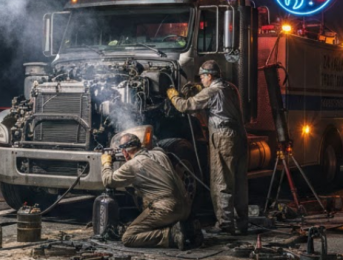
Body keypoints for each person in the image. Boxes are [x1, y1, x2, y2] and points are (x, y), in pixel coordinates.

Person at [167, 60, 249, 234]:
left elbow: (185, 106)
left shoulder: (212, 91)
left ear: (209, 76)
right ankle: (242, 224)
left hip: (223, 137)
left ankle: (225, 225)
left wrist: (173, 95)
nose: (201, 80)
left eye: (202, 77)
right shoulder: (230, 88)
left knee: (222, 180)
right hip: (240, 137)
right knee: (239, 182)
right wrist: (199, 90)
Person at [100, 133, 196, 249]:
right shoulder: (160, 153)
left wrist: (106, 163)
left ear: (124, 152)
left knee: (129, 237)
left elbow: (108, 180)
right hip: (186, 208)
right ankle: (189, 228)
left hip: (167, 209)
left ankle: (171, 236)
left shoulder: (133, 165)